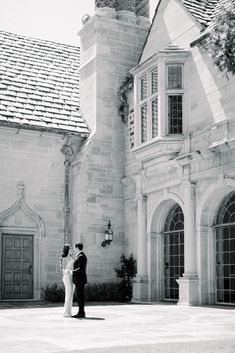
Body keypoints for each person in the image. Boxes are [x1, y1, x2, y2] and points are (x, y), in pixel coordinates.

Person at [72, 243, 87, 318]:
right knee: (79, 296)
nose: (74, 249)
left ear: (77, 248)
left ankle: (81, 313)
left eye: (75, 248)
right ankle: (81, 312)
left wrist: (73, 271)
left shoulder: (81, 256)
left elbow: (81, 268)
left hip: (80, 280)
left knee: (80, 296)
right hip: (79, 280)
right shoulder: (80, 256)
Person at [60, 244, 74, 318]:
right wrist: (69, 271)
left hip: (72, 277)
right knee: (68, 295)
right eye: (70, 248)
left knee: (71, 295)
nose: (71, 250)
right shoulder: (64, 259)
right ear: (67, 250)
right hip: (67, 277)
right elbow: (63, 270)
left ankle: (69, 312)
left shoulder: (71, 258)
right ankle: (66, 313)